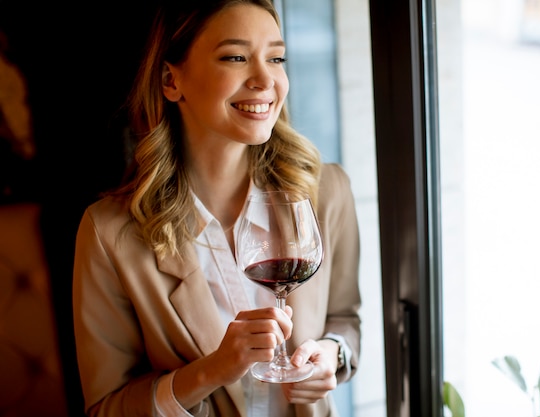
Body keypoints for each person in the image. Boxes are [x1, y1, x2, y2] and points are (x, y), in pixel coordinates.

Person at [71, 0, 362, 416]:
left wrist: (331, 357)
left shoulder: (326, 191)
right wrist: (213, 370)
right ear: (171, 81)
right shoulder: (109, 234)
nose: (266, 79)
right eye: (236, 57)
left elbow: (345, 319)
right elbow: (105, 409)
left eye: (276, 57)